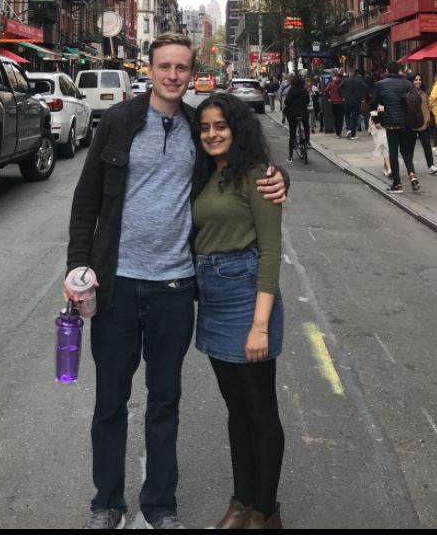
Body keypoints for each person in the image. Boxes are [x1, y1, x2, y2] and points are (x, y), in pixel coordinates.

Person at [65, 32, 288, 529]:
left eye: (181, 68)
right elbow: (87, 198)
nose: (172, 75)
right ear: (149, 69)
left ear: (191, 73)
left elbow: (240, 168)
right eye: (164, 66)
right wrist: (77, 264)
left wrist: (279, 178)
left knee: (165, 402)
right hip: (117, 285)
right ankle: (107, 503)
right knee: (110, 401)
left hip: (175, 287)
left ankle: (160, 506)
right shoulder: (118, 122)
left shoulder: (195, 127)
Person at [192, 93, 286, 530]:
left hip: (247, 297)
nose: (211, 134)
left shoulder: (258, 176)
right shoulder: (207, 174)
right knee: (236, 408)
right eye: (205, 127)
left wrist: (259, 326)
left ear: (237, 129)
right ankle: (241, 502)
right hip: (213, 299)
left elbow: (271, 252)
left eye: (220, 126)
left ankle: (265, 512)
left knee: (260, 410)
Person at [371, 61, 419, 192]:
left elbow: (374, 104)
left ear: (387, 70)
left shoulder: (380, 84)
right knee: (406, 151)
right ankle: (412, 174)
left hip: (390, 123)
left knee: (393, 153)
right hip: (406, 122)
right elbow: (415, 100)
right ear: (398, 70)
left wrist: (376, 120)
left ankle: (397, 184)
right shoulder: (407, 83)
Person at [409, 73, 437, 175]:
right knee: (410, 148)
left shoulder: (423, 93)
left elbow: (427, 108)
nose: (418, 82)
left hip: (423, 124)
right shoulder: (408, 93)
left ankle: (431, 166)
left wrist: (427, 120)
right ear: (411, 81)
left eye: (420, 80)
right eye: (416, 80)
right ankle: (410, 169)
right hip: (412, 125)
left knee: (427, 146)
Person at [281, 73, 311, 162]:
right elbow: (307, 100)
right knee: (306, 126)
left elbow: (286, 102)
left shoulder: (291, 90)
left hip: (293, 114)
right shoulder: (304, 90)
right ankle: (307, 141)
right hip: (303, 113)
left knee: (292, 134)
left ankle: (290, 157)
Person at [339, 69, 367, 139]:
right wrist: (362, 96)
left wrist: (342, 96)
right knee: (354, 117)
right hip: (357, 101)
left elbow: (339, 88)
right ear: (355, 74)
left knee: (347, 116)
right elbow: (366, 87)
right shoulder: (359, 80)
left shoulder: (345, 80)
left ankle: (349, 129)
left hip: (347, 100)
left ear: (349, 74)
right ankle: (353, 134)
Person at [369, 105, 390, 177]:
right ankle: (389, 169)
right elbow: (373, 111)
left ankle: (386, 168)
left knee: (386, 148)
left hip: (388, 127)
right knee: (385, 148)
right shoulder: (377, 103)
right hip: (380, 129)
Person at [325, 72, 345, 137]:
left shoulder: (331, 83)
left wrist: (329, 97)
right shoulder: (343, 83)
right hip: (341, 102)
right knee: (340, 118)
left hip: (333, 103)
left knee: (335, 117)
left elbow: (326, 90)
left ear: (336, 77)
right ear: (342, 77)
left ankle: (337, 132)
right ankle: (339, 131)